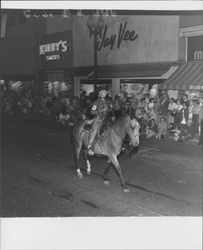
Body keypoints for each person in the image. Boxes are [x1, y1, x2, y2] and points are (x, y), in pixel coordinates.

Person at [87, 88, 109, 155]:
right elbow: (92, 112)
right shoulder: (96, 102)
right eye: (103, 92)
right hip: (98, 119)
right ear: (100, 93)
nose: (105, 93)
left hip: (105, 119)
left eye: (105, 92)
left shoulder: (105, 101)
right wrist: (102, 110)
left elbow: (107, 111)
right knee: (95, 131)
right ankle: (90, 146)